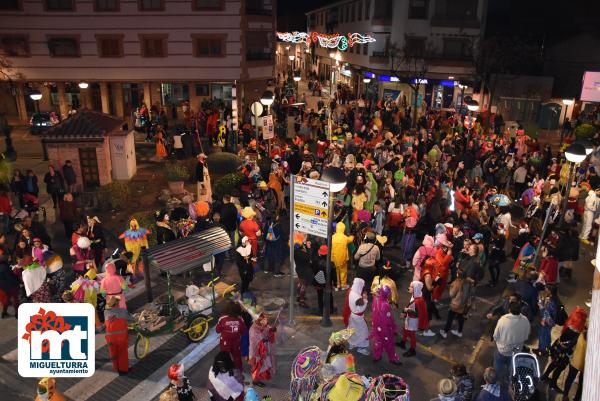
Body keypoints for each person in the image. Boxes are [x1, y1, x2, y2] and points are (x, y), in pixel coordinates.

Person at [493, 301, 531, 383]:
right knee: (512, 368)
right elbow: (526, 336)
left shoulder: (503, 320)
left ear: (509, 309)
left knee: (498, 367)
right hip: (516, 350)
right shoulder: (525, 320)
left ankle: (496, 381)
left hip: (503, 350)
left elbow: (496, 335)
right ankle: (510, 382)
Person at [370, 285, 402, 365]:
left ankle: (377, 356)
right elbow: (388, 318)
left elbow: (373, 312)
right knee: (389, 343)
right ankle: (392, 358)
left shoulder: (375, 299)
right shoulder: (385, 304)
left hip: (376, 326)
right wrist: (393, 327)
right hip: (385, 329)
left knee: (378, 341)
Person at [398, 281, 430, 357]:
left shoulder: (418, 300)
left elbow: (418, 314)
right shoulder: (415, 296)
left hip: (413, 321)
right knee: (405, 330)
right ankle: (403, 343)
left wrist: (408, 310)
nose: (409, 288)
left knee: (412, 335)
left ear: (415, 289)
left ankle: (412, 350)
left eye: (411, 287)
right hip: (409, 319)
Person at [440, 270, 473, 339]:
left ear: (458, 275)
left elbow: (452, 294)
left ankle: (445, 332)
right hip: (463, 304)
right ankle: (459, 332)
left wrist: (451, 287)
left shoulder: (457, 282)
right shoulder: (468, 282)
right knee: (461, 318)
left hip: (455, 304)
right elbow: (470, 293)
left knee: (450, 318)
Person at [215, 301, 247, 370]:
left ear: (226, 309)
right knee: (237, 357)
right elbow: (243, 331)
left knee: (225, 356)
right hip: (236, 341)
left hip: (225, 342)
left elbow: (217, 330)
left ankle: (226, 371)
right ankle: (239, 371)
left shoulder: (222, 318)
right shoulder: (240, 319)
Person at [248, 312, 276, 387]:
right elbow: (255, 342)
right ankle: (255, 380)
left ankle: (260, 377)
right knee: (257, 366)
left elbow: (268, 330)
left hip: (264, 350)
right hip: (257, 352)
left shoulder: (264, 326)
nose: (266, 321)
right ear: (260, 321)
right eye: (265, 319)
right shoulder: (253, 329)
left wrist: (271, 330)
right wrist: (264, 340)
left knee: (263, 365)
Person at [343, 277, 369, 355]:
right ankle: (361, 348)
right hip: (358, 318)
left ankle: (351, 344)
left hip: (352, 316)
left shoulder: (350, 291)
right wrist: (365, 299)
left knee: (352, 330)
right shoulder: (358, 298)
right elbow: (361, 309)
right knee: (363, 332)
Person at [104, 295, 129, 375]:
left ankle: (116, 367)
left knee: (113, 353)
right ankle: (123, 370)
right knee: (122, 353)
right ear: (117, 303)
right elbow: (131, 319)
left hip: (110, 337)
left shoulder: (105, 312)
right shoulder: (123, 311)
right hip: (121, 337)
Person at [562, 329, 586, 401]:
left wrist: (570, 355)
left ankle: (565, 396)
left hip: (575, 362)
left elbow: (570, 346)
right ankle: (577, 399)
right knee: (581, 385)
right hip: (585, 367)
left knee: (569, 379)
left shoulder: (581, 335)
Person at [331, 221, 354, 291]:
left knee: (336, 271)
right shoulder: (345, 238)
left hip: (334, 258)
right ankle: (343, 285)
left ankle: (338, 284)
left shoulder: (332, 237)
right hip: (343, 258)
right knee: (343, 271)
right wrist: (352, 236)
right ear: (343, 229)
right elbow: (351, 239)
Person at [0, 249, 19, 318]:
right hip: (10, 286)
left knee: (7, 299)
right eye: (9, 257)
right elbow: (10, 278)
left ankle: (4, 313)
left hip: (3, 286)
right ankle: (17, 314)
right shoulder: (5, 267)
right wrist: (17, 283)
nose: (10, 258)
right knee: (15, 299)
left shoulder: (3, 266)